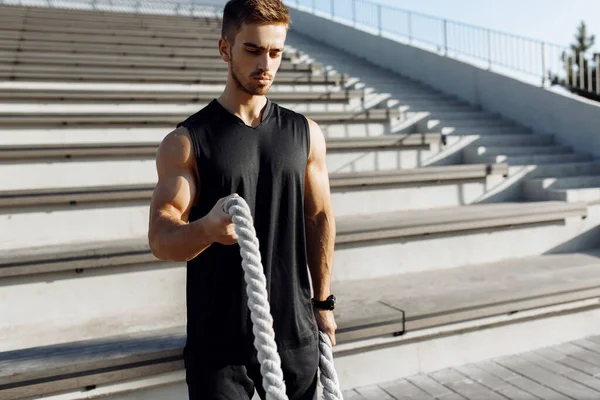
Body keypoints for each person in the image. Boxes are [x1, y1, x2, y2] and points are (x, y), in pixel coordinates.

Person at [147, 0, 337, 398]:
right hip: (219, 349)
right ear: (224, 49)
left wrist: (323, 303)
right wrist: (205, 230)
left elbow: (318, 218)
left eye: (275, 52)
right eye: (252, 50)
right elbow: (161, 238)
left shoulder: (306, 134)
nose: (265, 64)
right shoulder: (186, 142)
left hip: (294, 333)